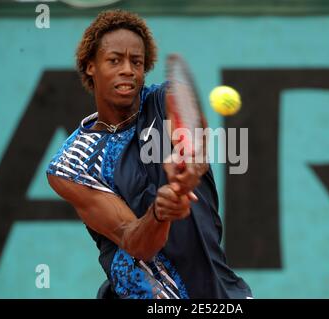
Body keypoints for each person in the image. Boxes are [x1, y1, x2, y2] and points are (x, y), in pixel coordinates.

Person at [46, 9, 252, 299]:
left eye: (137, 62)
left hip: (220, 292)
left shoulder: (164, 99)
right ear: (90, 65)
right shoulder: (72, 165)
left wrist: (189, 167)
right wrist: (160, 212)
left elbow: (192, 131)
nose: (128, 70)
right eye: (115, 60)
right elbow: (135, 243)